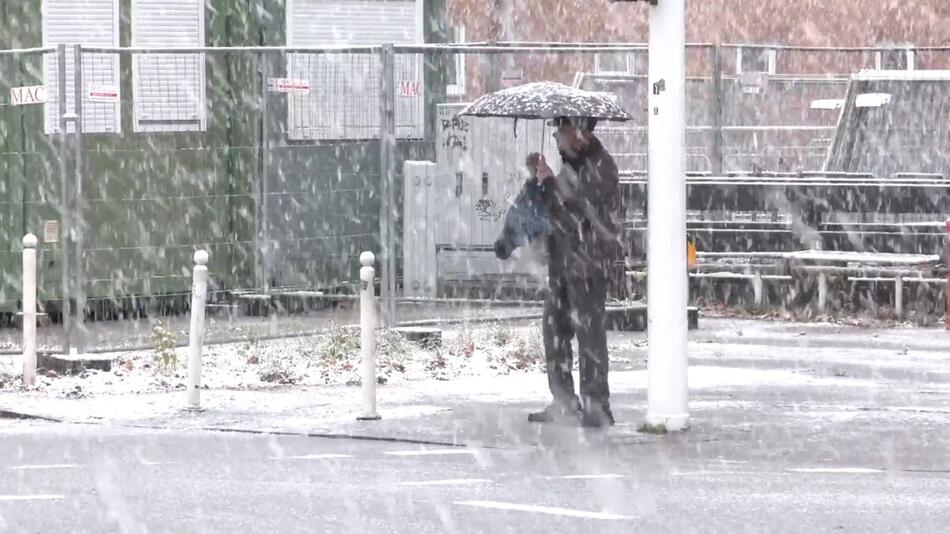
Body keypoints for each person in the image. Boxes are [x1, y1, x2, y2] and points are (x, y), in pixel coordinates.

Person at [527, 116, 621, 428]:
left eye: (560, 131)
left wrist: (554, 184)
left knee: (589, 335)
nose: (555, 138)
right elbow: (558, 212)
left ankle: (597, 406)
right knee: (555, 331)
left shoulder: (601, 167)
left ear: (578, 132)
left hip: (588, 264)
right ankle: (564, 400)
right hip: (563, 261)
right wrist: (543, 184)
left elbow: (582, 212)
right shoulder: (572, 164)